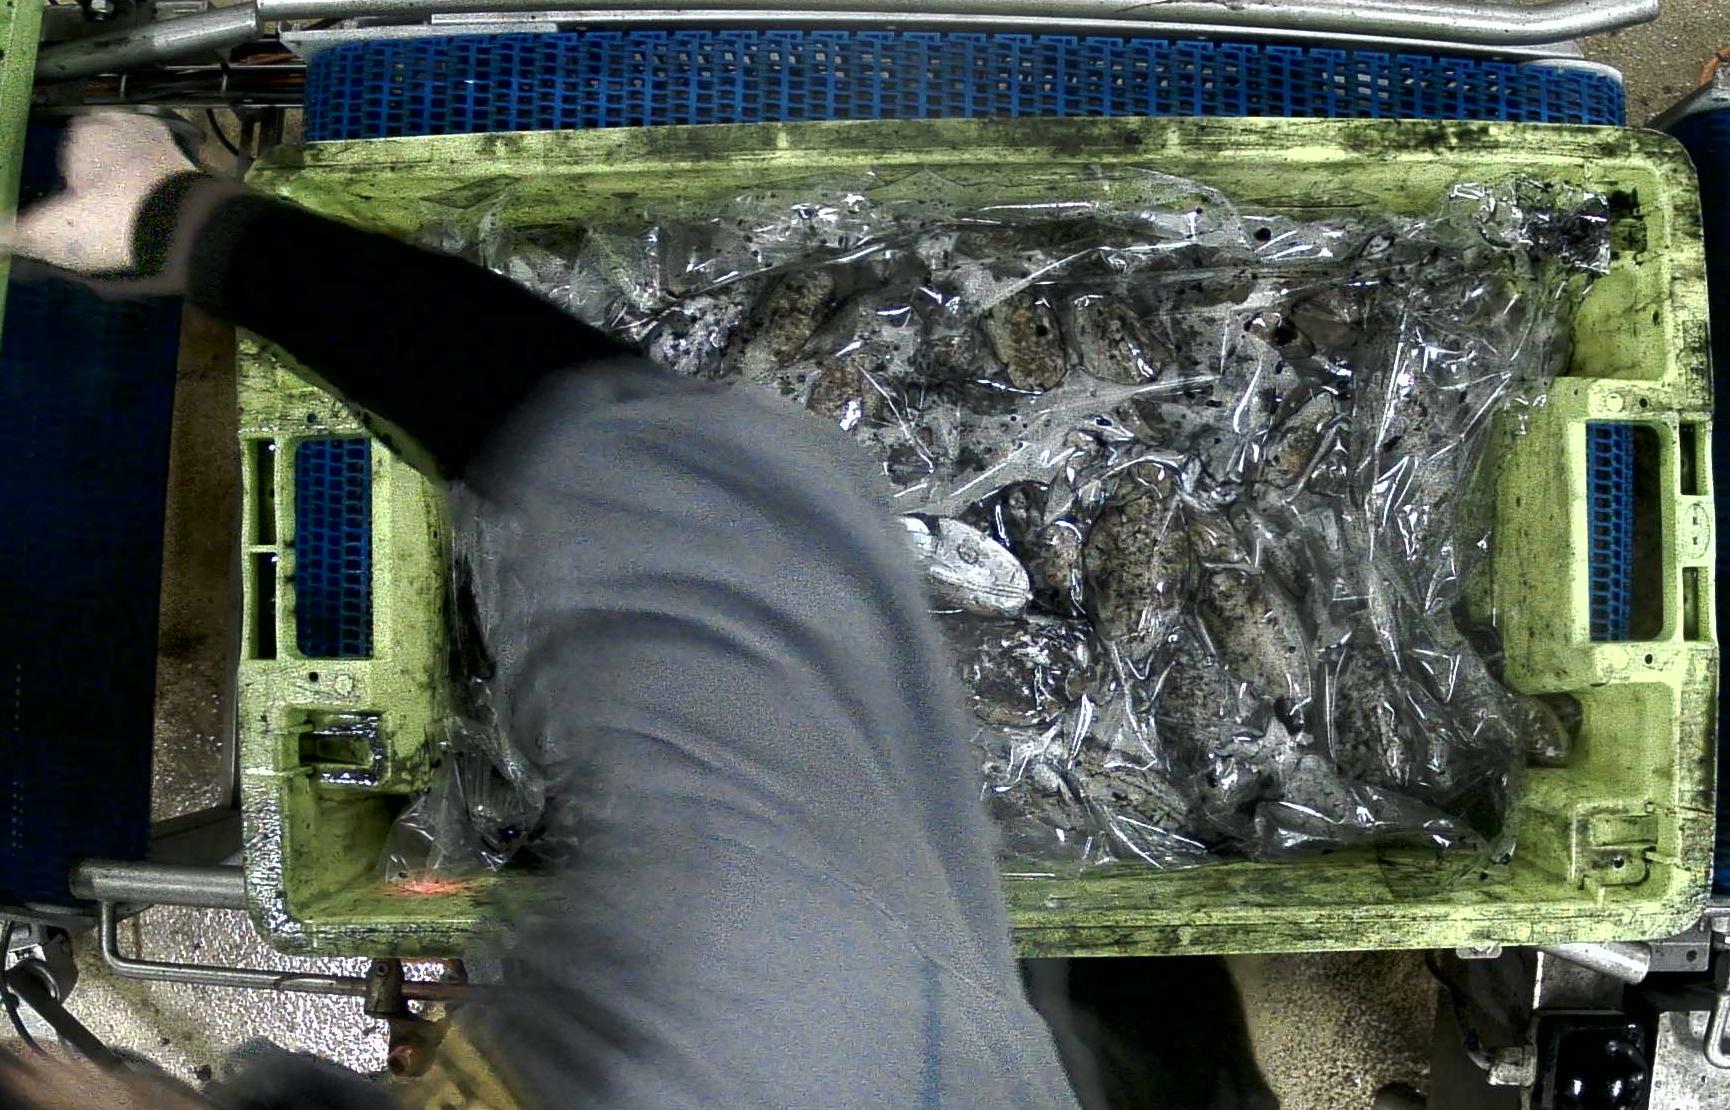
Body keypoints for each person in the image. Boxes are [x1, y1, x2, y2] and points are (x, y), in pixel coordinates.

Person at [5, 111, 1086, 1109]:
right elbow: (716, 519)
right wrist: (195, 231)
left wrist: (188, 227)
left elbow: (722, 521)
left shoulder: (745, 1002)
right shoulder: (770, 1007)